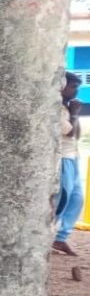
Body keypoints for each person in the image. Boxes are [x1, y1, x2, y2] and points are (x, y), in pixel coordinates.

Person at [53, 71, 84, 256]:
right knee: (62, 199)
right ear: (62, 86)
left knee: (77, 199)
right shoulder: (56, 107)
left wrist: (75, 115)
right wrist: (74, 114)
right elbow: (69, 132)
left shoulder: (69, 107)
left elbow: (76, 135)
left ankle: (61, 238)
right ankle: (45, 234)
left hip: (73, 156)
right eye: (73, 87)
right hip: (63, 157)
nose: (76, 91)